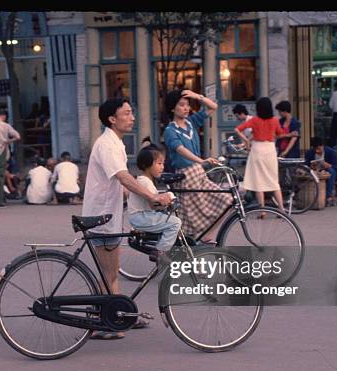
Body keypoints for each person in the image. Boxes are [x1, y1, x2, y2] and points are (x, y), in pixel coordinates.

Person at [82, 97, 172, 340]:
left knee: (110, 274)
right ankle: (105, 323)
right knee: (107, 274)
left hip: (108, 214)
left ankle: (116, 316)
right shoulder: (108, 145)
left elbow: (121, 184)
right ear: (112, 119)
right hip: (101, 216)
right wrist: (152, 196)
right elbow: (123, 178)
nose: (132, 117)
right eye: (127, 113)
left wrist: (144, 196)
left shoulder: (116, 144)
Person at [164, 89, 232, 240]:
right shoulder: (170, 130)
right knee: (192, 219)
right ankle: (200, 241)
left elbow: (213, 106)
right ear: (172, 109)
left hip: (199, 173)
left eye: (187, 105)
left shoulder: (191, 122)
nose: (186, 108)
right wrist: (201, 160)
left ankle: (206, 236)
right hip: (185, 177)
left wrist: (197, 96)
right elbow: (180, 149)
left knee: (228, 201)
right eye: (181, 105)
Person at [127, 146, 181, 262]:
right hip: (141, 217)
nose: (162, 167)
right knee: (175, 223)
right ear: (147, 165)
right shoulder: (145, 182)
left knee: (170, 220)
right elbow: (153, 205)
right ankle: (160, 252)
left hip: (141, 216)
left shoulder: (144, 180)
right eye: (159, 163)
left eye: (163, 163)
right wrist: (168, 201)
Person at [234, 97, 285, 213]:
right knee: (274, 181)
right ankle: (282, 209)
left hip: (257, 149)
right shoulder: (275, 120)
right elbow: (280, 134)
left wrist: (246, 141)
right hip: (270, 149)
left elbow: (237, 129)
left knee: (258, 181)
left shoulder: (255, 120)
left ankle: (262, 211)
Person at [304, 136, 337, 206]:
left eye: (319, 148)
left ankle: (328, 196)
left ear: (322, 146)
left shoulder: (330, 152)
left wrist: (330, 165)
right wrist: (311, 166)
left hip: (327, 171)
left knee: (331, 171)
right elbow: (305, 164)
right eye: (315, 149)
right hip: (315, 171)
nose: (317, 151)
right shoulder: (310, 153)